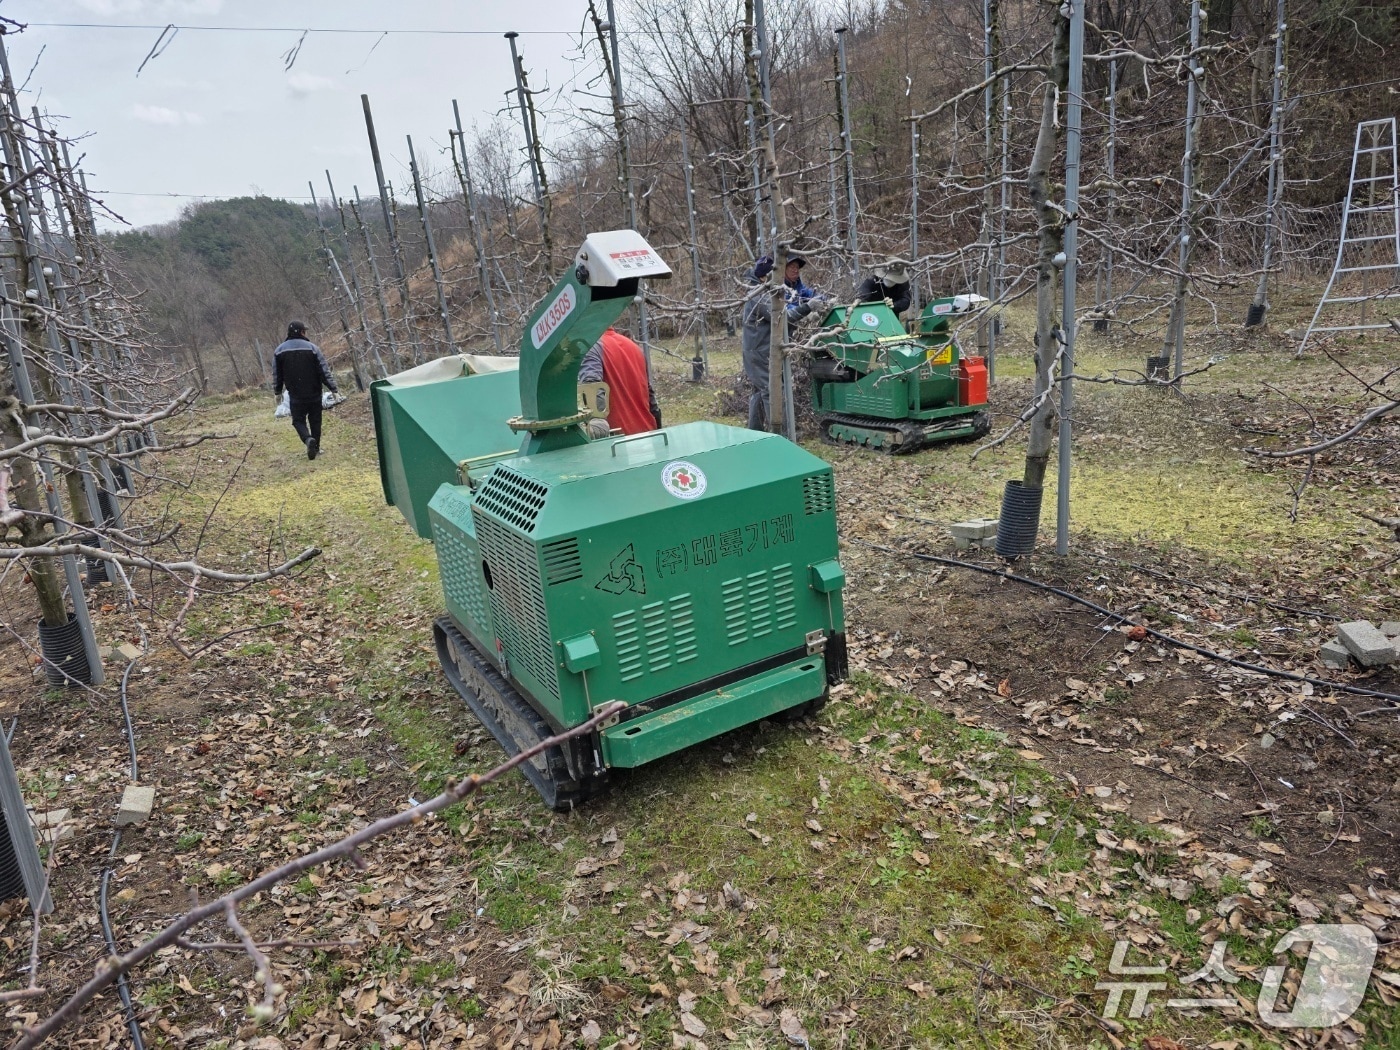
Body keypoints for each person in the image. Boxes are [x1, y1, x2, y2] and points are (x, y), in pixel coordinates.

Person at [741, 254, 824, 431]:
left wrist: (812, 307)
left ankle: (755, 433)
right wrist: (808, 308)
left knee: (760, 391)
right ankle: (781, 436)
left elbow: (798, 302)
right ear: (766, 276)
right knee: (774, 392)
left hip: (764, 350)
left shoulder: (767, 292)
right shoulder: (759, 297)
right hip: (759, 352)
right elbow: (781, 317)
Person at [272, 321, 338, 460]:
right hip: (314, 392)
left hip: (295, 394)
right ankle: (316, 448)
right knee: (315, 421)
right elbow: (323, 370)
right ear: (301, 332)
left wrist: (277, 392)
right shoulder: (313, 348)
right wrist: (333, 388)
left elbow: (277, 374)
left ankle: (308, 439)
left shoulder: (279, 351)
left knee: (298, 420)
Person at [579, 328, 661, 438]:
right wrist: (658, 430)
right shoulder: (635, 347)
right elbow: (650, 395)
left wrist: (597, 423)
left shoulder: (592, 348)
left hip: (619, 440)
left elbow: (592, 385)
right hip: (648, 432)